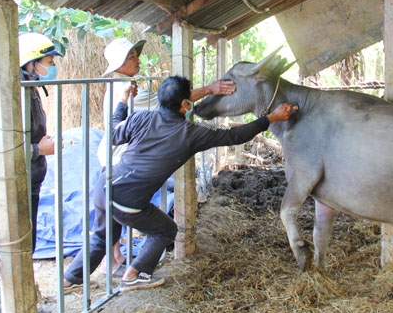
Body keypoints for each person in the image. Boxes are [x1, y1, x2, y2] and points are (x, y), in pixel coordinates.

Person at [63, 75, 297, 292]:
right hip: (129, 201)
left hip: (104, 187)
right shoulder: (190, 133)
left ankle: (70, 281)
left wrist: (123, 102)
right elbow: (233, 136)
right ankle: (133, 274)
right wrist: (270, 119)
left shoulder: (142, 117)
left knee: (102, 237)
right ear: (185, 105)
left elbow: (114, 134)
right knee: (166, 230)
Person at [95, 38, 237, 278]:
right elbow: (168, 105)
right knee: (129, 218)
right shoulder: (125, 89)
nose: (137, 58)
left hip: (118, 158)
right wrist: (210, 89)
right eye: (131, 56)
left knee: (109, 215)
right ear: (119, 64)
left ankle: (114, 261)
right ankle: (121, 269)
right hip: (120, 159)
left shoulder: (126, 85)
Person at [19, 32, 63, 313]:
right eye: (47, 61)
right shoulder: (16, 93)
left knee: (30, 242)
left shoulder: (31, 89)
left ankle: (27, 304)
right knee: (20, 243)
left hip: (33, 176)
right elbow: (8, 144)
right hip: (20, 179)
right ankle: (19, 309)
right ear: (30, 63)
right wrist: (38, 148)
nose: (50, 66)